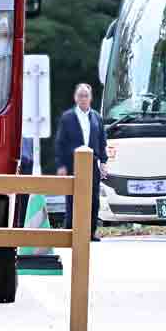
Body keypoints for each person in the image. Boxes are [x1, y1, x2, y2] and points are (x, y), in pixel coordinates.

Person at [55, 83, 109, 241]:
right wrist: (61, 166)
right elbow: (60, 143)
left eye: (86, 95)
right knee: (72, 198)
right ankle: (70, 230)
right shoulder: (67, 117)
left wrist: (104, 162)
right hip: (73, 164)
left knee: (93, 199)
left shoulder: (97, 117)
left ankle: (90, 232)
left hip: (92, 163)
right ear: (75, 98)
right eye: (80, 95)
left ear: (91, 98)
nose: (83, 99)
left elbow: (102, 141)